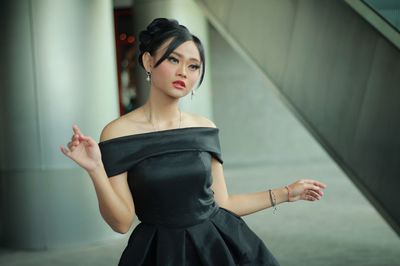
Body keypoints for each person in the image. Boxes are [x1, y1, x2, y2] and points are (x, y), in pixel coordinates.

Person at [61, 18, 327, 266]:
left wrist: (286, 193)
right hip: (159, 251)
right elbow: (121, 222)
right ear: (148, 62)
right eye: (173, 60)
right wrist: (96, 169)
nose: (183, 72)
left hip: (218, 244)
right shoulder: (118, 133)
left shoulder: (204, 128)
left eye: (193, 66)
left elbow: (224, 204)